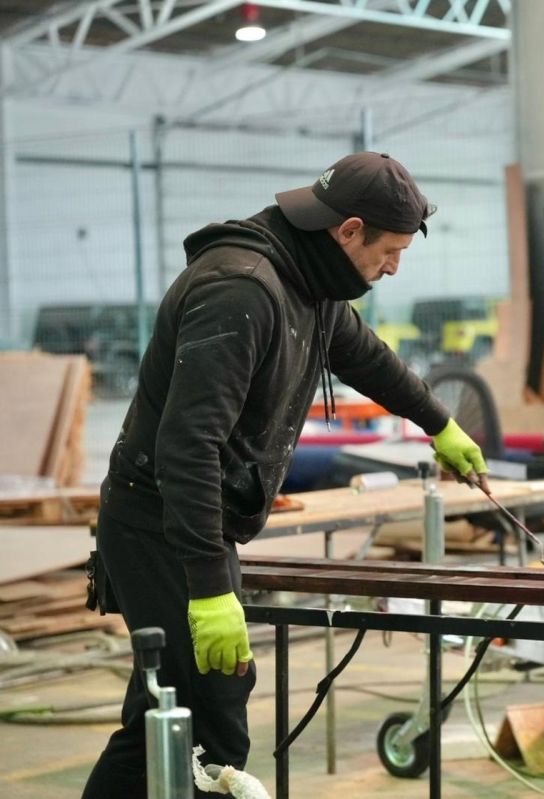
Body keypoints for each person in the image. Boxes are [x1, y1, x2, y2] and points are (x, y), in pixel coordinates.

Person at [82, 151, 489, 797]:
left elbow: (368, 358)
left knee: (165, 714)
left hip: (192, 516)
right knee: (206, 721)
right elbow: (188, 446)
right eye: (390, 249)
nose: (394, 266)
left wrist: (439, 423)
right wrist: (210, 585)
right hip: (160, 518)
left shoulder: (310, 280)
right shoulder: (240, 289)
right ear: (348, 229)